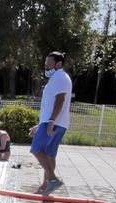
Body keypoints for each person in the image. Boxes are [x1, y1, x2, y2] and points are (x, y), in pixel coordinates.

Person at [33, 51, 72, 194]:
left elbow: (60, 100)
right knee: (49, 154)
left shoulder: (60, 77)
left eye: (49, 64)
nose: (46, 67)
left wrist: (50, 121)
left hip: (53, 122)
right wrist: (40, 125)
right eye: (46, 65)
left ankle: (52, 180)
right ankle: (46, 185)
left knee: (36, 149)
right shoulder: (60, 77)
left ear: (58, 64)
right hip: (56, 122)